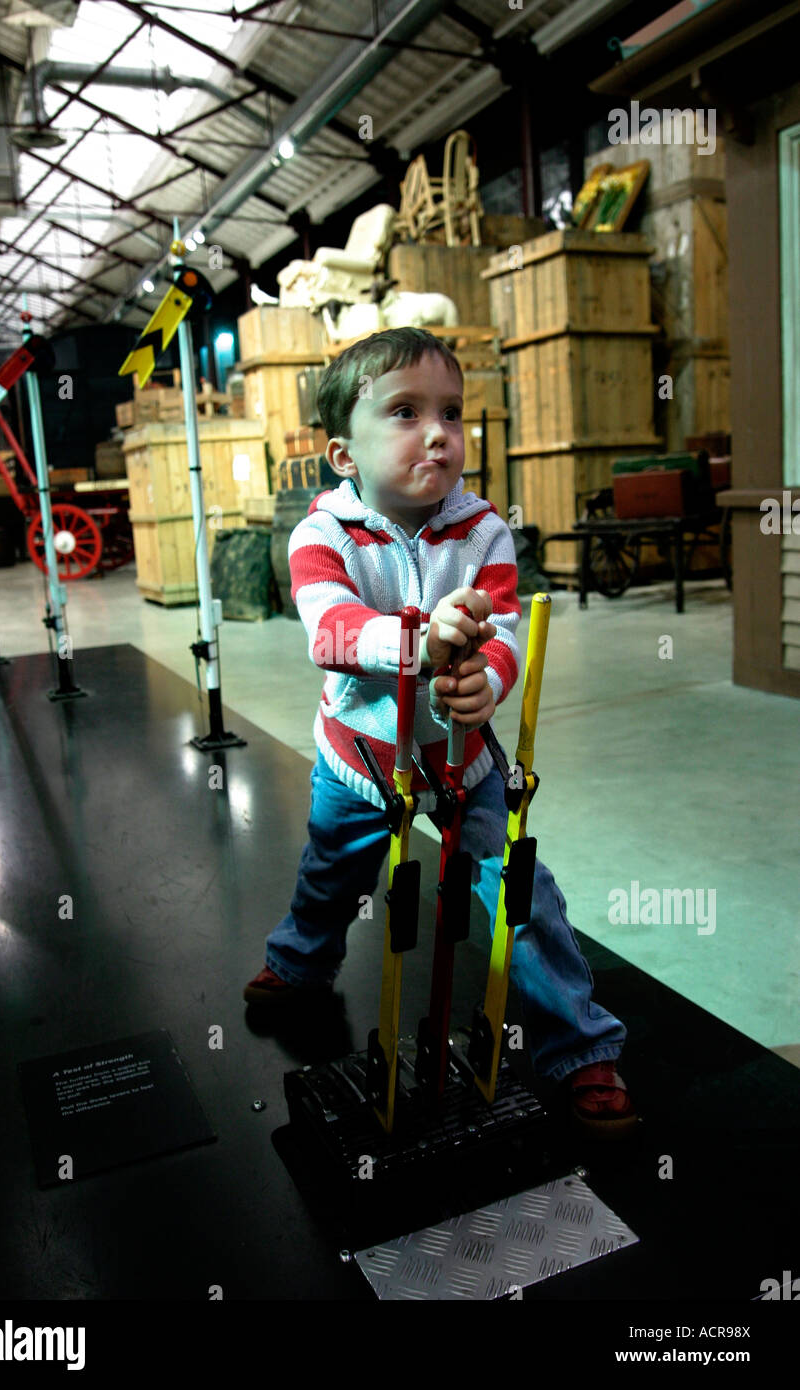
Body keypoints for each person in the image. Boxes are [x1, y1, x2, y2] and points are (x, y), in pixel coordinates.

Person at [244, 327, 636, 1137]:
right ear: (342, 454)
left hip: (464, 762)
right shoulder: (322, 536)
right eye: (405, 411)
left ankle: (582, 1047)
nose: (438, 432)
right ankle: (300, 961)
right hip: (362, 755)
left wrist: (487, 678)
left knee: (519, 895)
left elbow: (504, 630)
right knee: (331, 874)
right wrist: (420, 644)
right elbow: (332, 634)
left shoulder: (485, 529)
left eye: (451, 412)